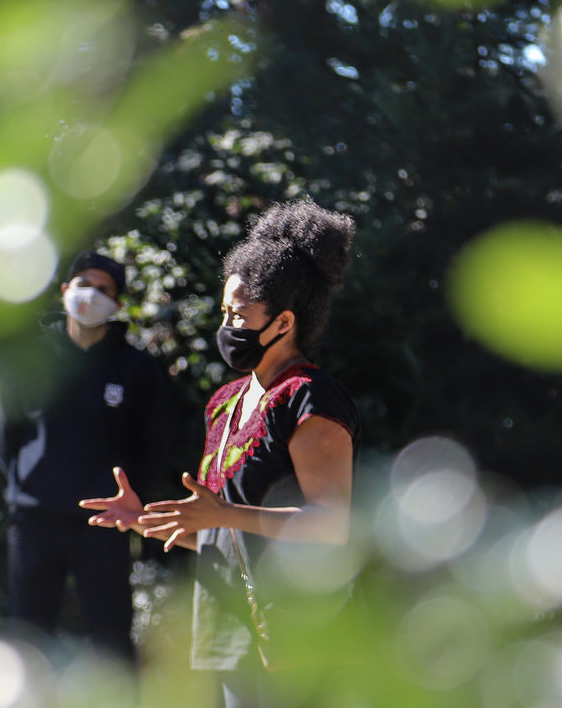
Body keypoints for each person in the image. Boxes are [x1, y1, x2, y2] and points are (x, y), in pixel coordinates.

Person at [80, 199, 359, 707]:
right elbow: (225, 535)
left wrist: (223, 512)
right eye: (224, 310)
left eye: (240, 313)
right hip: (227, 632)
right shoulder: (225, 403)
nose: (227, 324)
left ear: (283, 322)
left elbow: (331, 528)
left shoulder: (308, 398)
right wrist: (145, 520)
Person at [0, 250, 170, 666]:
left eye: (103, 288)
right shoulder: (29, 362)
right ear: (64, 291)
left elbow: (153, 445)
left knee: (111, 641)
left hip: (104, 523)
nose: (91, 295)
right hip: (34, 520)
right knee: (28, 637)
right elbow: (5, 436)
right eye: (83, 284)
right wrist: (27, 486)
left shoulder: (136, 369)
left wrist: (130, 501)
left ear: (119, 303)